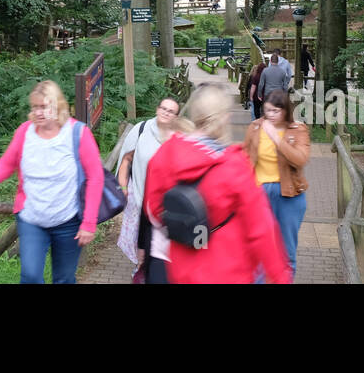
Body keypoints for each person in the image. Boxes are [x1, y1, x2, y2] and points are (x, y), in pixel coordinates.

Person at [144, 83, 292, 284]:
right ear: (225, 118)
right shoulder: (235, 166)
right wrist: (280, 276)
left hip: (181, 269)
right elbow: (262, 230)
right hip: (228, 272)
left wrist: (192, 228)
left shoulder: (166, 154)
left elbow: (154, 212)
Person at [0, 80, 103, 283]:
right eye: (35, 107)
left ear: (58, 105)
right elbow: (8, 162)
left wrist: (89, 223)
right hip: (31, 218)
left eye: (44, 107)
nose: (38, 112)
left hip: (68, 220)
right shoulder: (24, 131)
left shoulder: (78, 133)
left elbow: (95, 177)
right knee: (30, 276)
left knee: (64, 278)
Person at [243, 89, 310, 271]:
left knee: (285, 252)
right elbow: (245, 157)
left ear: (286, 110)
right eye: (267, 110)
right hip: (259, 194)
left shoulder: (298, 129)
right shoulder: (255, 127)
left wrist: (277, 139)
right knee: (257, 249)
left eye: (275, 111)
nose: (270, 115)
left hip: (288, 195)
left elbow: (300, 159)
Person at [116, 97, 181, 283]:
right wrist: (123, 188)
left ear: (176, 117)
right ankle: (140, 271)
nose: (166, 113)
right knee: (142, 246)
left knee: (160, 248)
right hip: (141, 200)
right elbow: (126, 160)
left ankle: (154, 272)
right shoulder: (142, 130)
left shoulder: (178, 137)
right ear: (157, 108)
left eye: (171, 111)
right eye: (164, 108)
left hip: (166, 204)